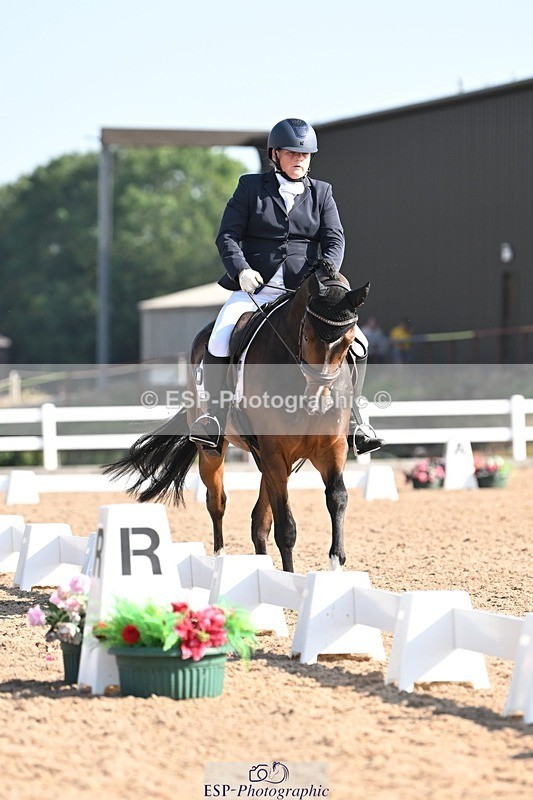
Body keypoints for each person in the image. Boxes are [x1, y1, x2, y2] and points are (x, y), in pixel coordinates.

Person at [189, 117, 384, 457]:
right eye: (293, 153)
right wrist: (241, 270)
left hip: (304, 294)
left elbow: (334, 239)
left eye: (306, 154)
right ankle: (214, 420)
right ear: (275, 154)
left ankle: (356, 419)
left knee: (359, 343)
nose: (300, 159)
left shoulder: (322, 192)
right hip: (253, 291)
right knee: (220, 339)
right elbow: (228, 236)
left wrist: (327, 274)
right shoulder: (250, 187)